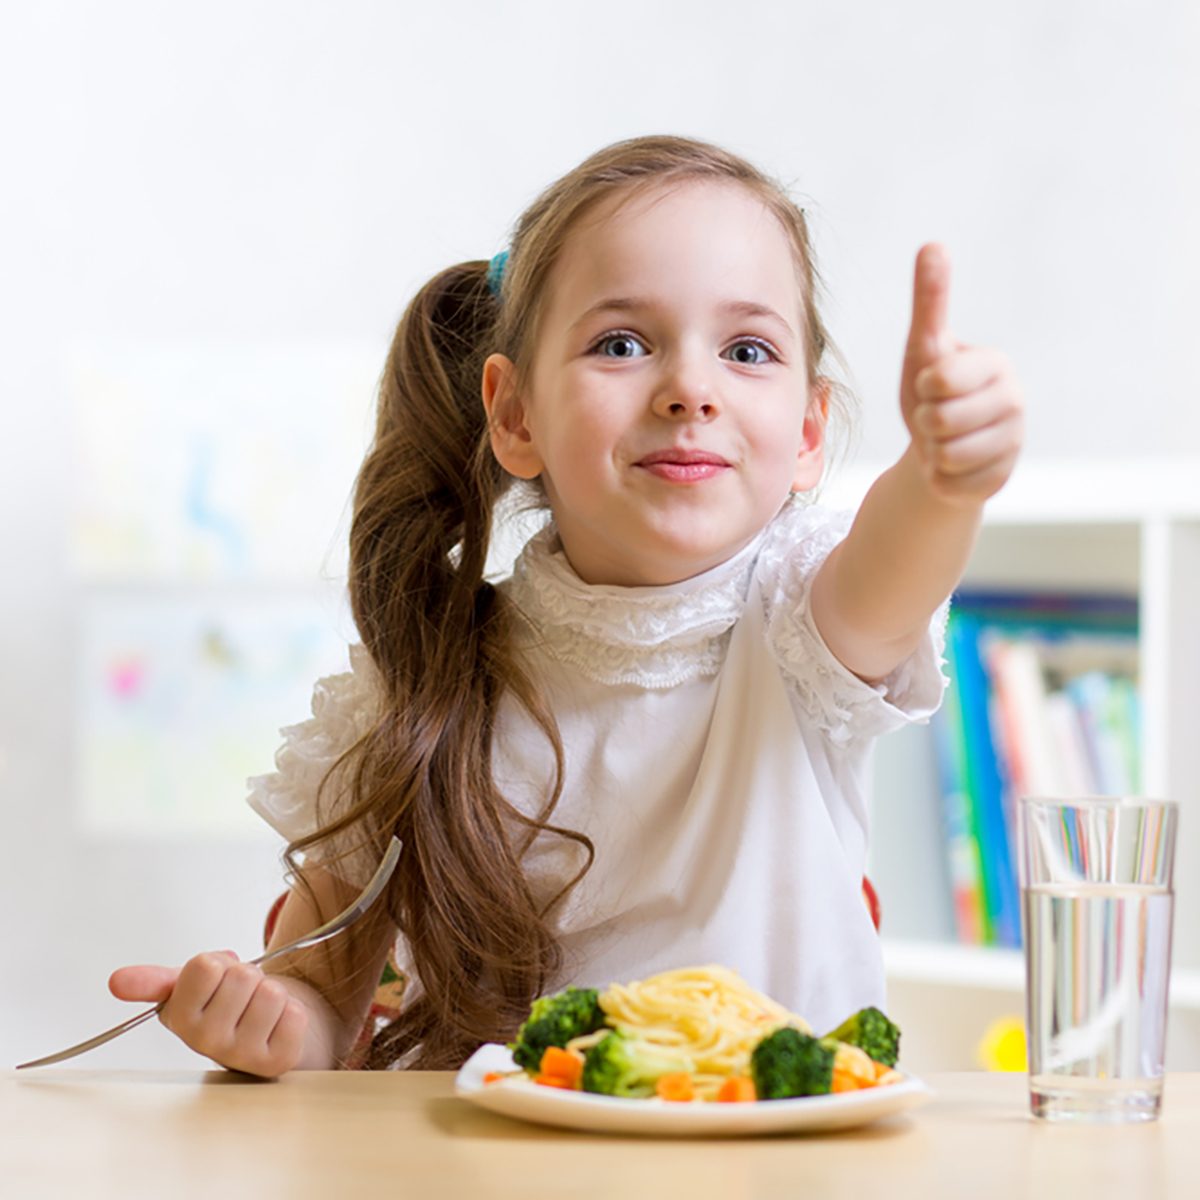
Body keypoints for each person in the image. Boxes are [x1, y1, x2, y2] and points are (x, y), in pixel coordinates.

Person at [109, 135, 1023, 1076]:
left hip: (768, 1145)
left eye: (747, 350)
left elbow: (894, 572)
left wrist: (943, 480)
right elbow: (319, 1006)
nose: (691, 390)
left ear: (807, 432)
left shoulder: (806, 620)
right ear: (514, 415)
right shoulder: (425, 672)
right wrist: (267, 1022)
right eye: (621, 344)